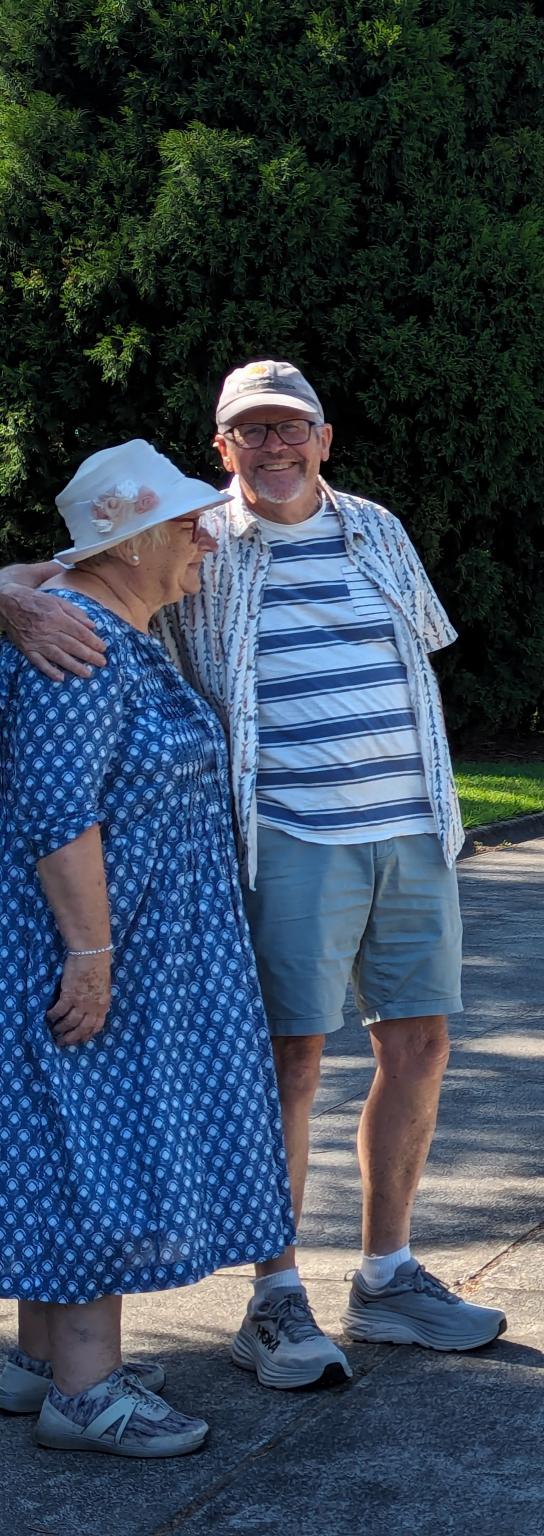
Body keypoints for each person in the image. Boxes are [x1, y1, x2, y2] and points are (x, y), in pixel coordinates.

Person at [2, 360, 504, 1391]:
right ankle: (276, 1298)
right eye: (252, 435)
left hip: (411, 828)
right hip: (289, 835)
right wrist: (8, 606)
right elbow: (56, 576)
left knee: (421, 1045)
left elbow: (415, 660)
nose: (275, 449)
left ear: (325, 438)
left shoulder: (378, 528)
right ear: (221, 451)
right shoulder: (189, 534)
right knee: (292, 1062)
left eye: (292, 430)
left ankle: (389, 1275)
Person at [0, 441, 296, 1456]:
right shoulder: (78, 642)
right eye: (184, 522)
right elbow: (55, 807)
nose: (205, 535)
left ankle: (41, 1357)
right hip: (90, 947)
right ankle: (85, 1391)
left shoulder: (96, 622)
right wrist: (91, 952)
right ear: (126, 545)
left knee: (83, 1137)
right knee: (96, 1145)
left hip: (132, 946)